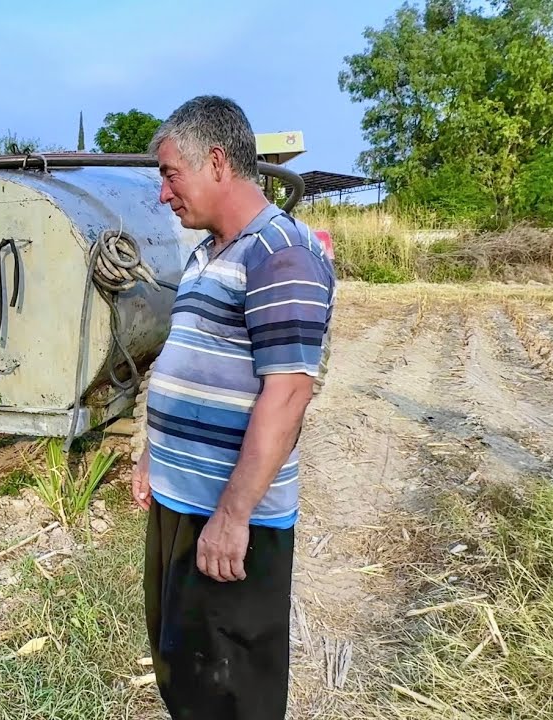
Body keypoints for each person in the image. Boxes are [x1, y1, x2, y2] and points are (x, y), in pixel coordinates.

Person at [133, 96, 336, 719]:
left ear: (217, 162)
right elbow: (189, 363)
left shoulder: (280, 253)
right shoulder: (209, 253)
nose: (164, 195)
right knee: (185, 668)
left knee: (231, 686)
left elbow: (289, 391)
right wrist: (151, 454)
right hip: (181, 501)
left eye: (171, 174)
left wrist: (233, 515)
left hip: (228, 516)